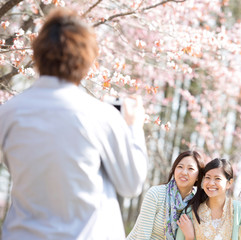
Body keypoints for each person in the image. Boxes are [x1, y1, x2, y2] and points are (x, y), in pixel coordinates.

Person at [0, 8, 148, 240]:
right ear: (86, 60)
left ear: (37, 53)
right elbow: (131, 184)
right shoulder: (101, 116)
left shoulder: (8, 113)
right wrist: (133, 127)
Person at [126, 150, 205, 240]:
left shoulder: (197, 205)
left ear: (198, 176)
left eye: (190, 169)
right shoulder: (156, 194)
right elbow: (142, 237)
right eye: (180, 167)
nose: (184, 172)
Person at [176, 158, 241, 240]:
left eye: (217, 178)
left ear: (229, 183)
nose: (211, 183)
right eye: (207, 177)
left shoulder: (240, 211)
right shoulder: (190, 212)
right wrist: (189, 237)